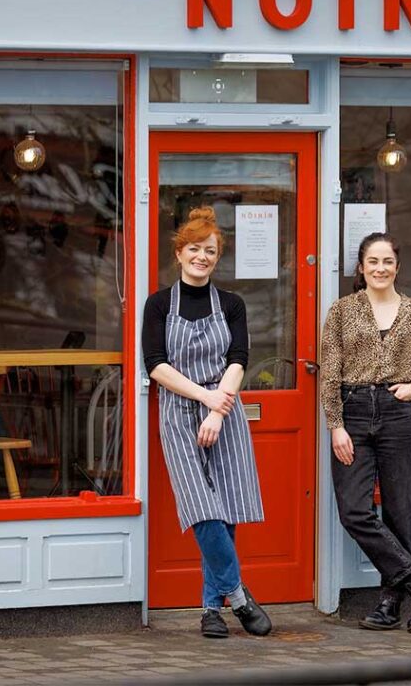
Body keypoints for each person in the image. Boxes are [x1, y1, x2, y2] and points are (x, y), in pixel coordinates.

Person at [142, 206, 272, 639]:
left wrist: (218, 409)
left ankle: (211, 610)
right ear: (179, 253)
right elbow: (156, 366)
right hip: (178, 411)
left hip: (225, 410)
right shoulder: (158, 304)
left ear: (218, 257)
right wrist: (204, 396)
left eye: (210, 251)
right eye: (194, 249)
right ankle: (240, 598)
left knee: (227, 508)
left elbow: (239, 360)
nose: (202, 257)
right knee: (201, 509)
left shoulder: (232, 304)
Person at [320, 231, 411, 632]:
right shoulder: (343, 312)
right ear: (361, 268)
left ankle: (389, 604)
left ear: (397, 266)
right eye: (372, 262)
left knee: (402, 512)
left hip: (399, 415)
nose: (380, 269)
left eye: (387, 262)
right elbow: (329, 374)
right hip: (354, 412)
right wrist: (336, 426)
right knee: (354, 511)